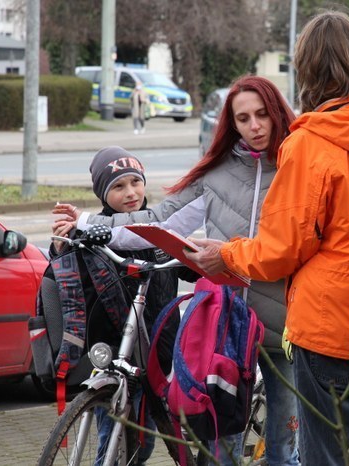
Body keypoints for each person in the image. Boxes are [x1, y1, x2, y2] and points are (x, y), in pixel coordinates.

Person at [183, 11, 349, 466]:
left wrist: (226, 254)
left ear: (307, 72)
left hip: (332, 331)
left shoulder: (311, 145)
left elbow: (279, 251)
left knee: (328, 457)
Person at [53, 75, 300, 466]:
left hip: (286, 328)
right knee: (217, 450)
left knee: (284, 453)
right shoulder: (215, 176)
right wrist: (87, 223)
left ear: (277, 114)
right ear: (230, 124)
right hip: (227, 327)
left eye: (262, 115)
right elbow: (159, 222)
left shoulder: (300, 166)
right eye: (243, 118)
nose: (254, 126)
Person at [51, 146, 199, 466]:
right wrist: (62, 245)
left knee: (143, 444)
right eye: (118, 187)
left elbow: (193, 266)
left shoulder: (160, 229)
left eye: (135, 182)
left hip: (159, 353)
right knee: (114, 440)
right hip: (116, 354)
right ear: (104, 195)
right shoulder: (97, 230)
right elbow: (69, 271)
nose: (130, 193)